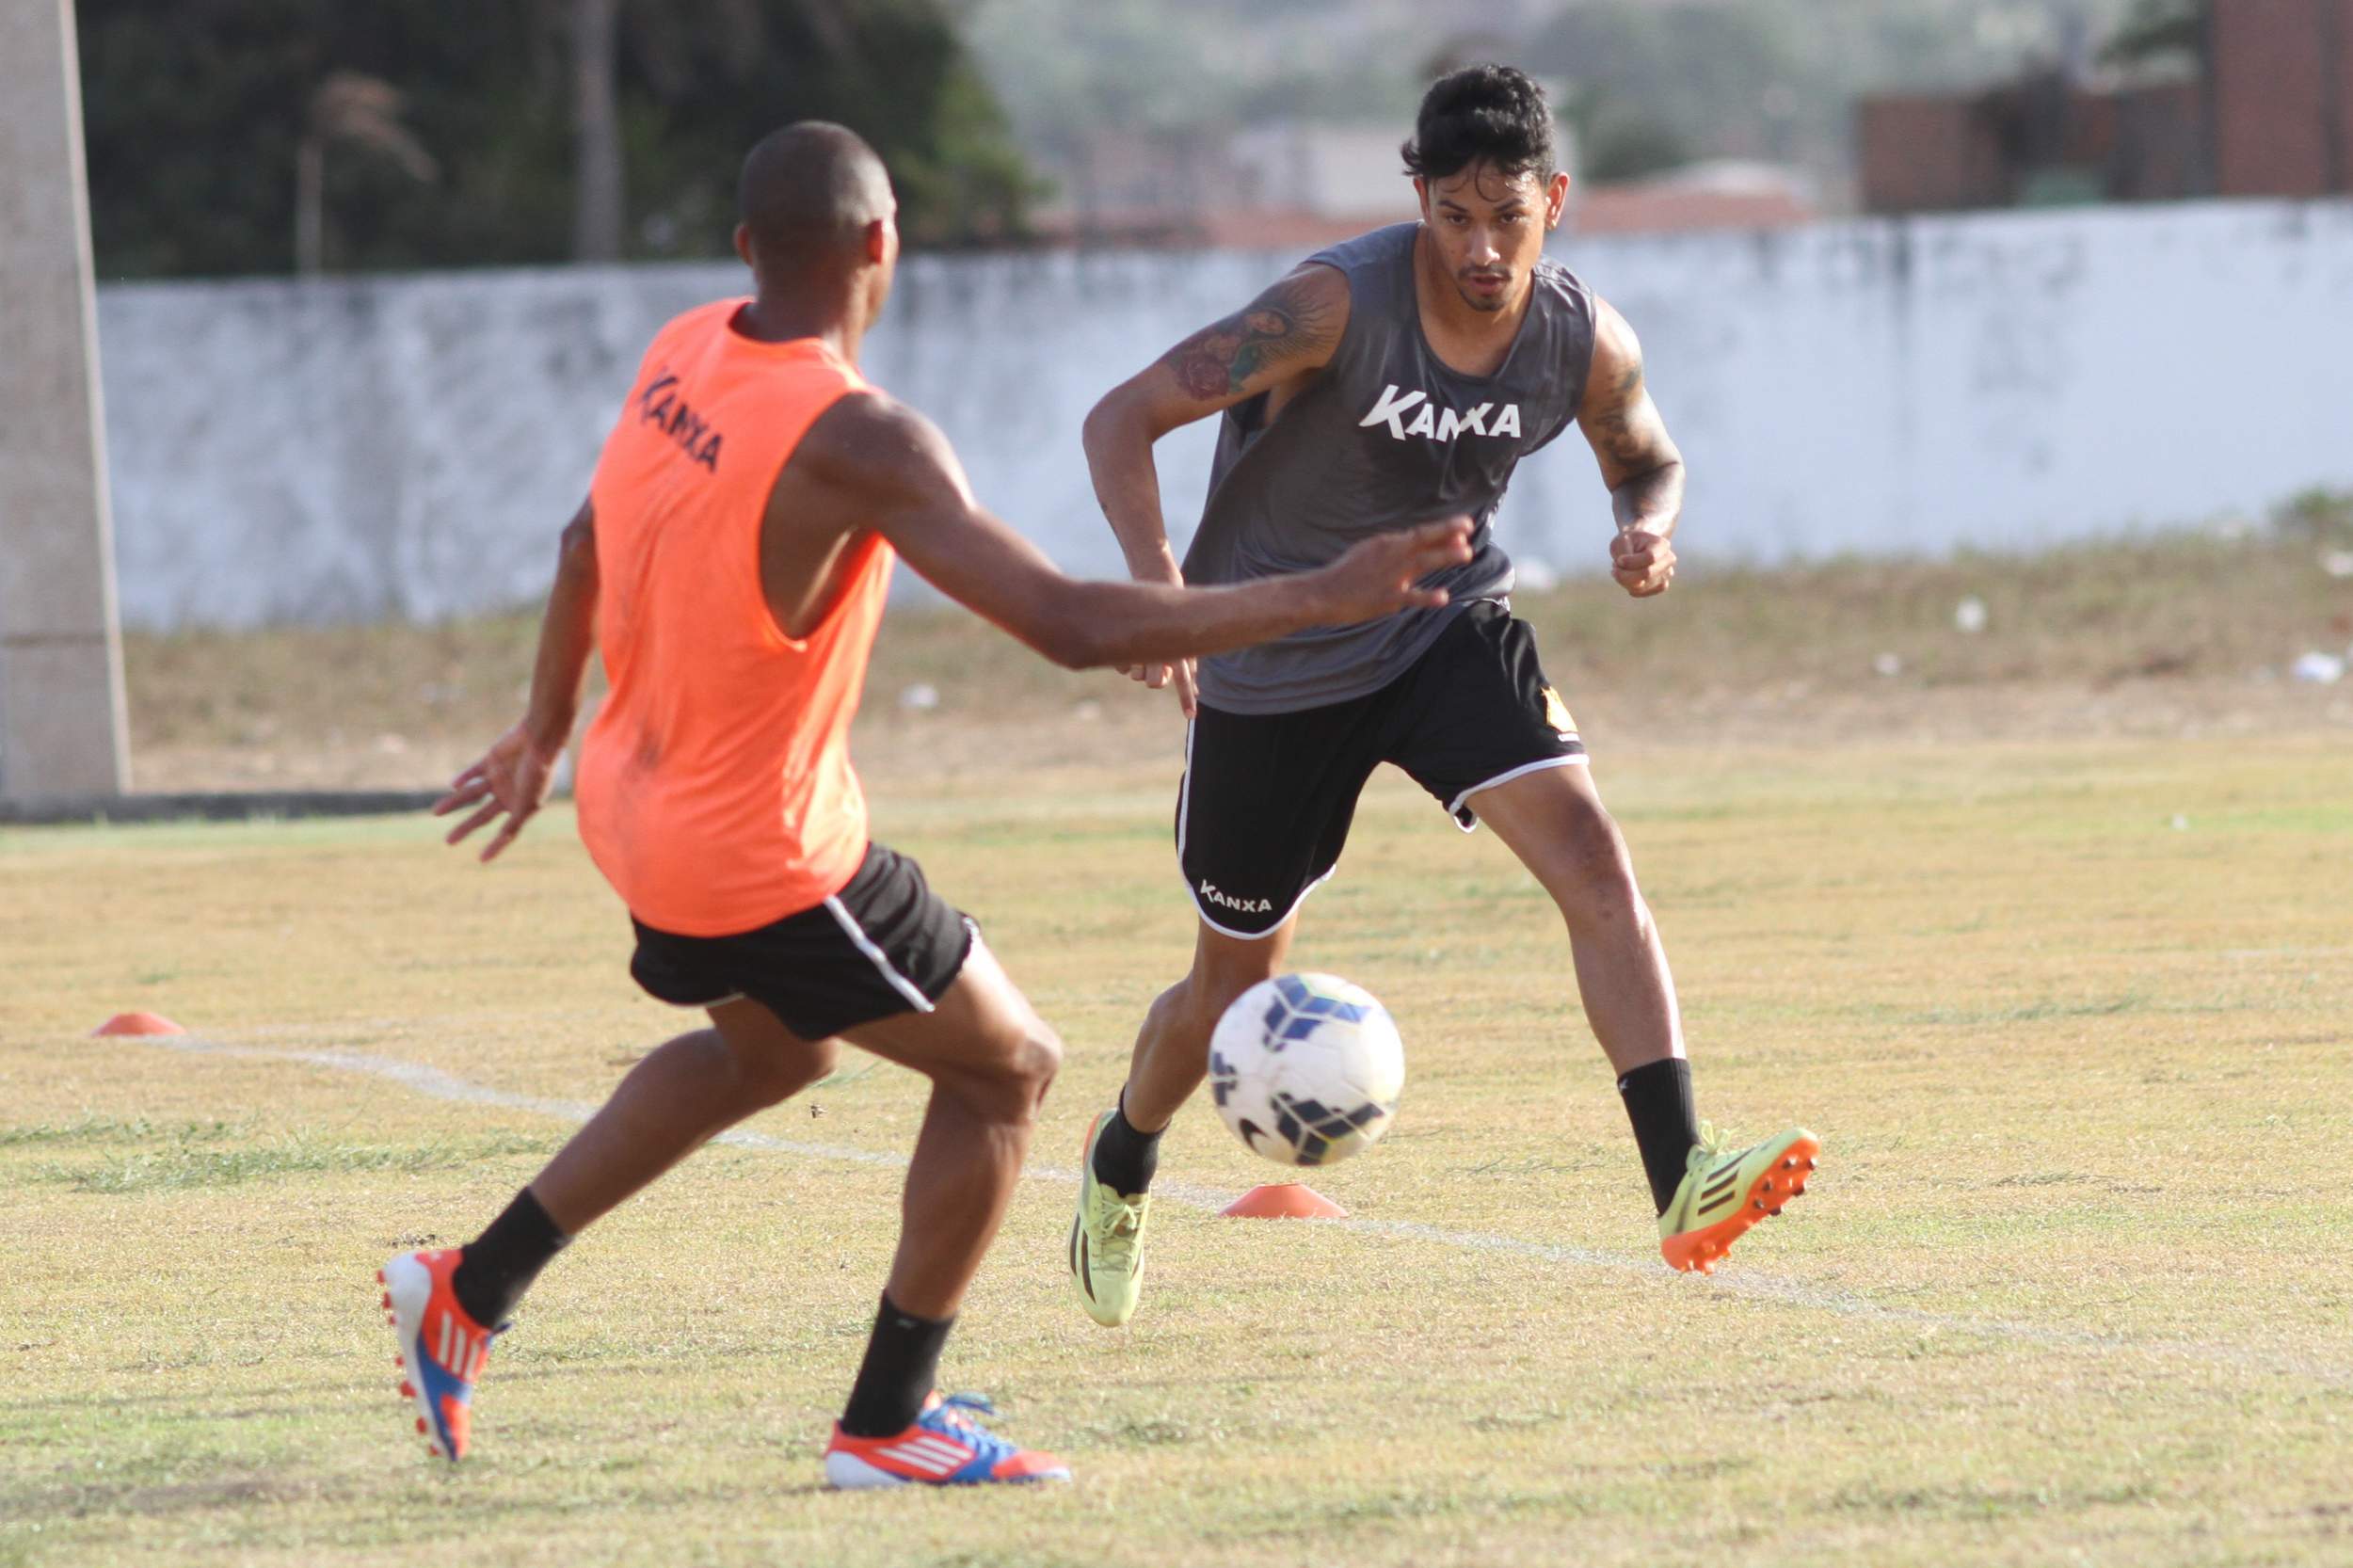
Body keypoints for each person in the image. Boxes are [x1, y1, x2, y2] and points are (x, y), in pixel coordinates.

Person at [377, 121, 1473, 1488]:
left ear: (746, 253)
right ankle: (889, 1419)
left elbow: (582, 538)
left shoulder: (686, 348)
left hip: (628, 800)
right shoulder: (866, 439)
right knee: (1006, 1066)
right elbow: (1068, 623)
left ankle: (469, 1289)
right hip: (760, 851)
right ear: (883, 245)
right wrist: (1325, 590)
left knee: (771, 1053)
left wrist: (546, 729)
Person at [1065, 65, 1818, 1330]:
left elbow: (1649, 459)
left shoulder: (1583, 338)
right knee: (1226, 993)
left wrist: (1648, 529)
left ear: (1556, 201)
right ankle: (1121, 1159)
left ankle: (1683, 1177)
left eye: (1507, 217)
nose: (1481, 247)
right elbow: (1120, 419)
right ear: (1416, 195)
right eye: (1454, 214)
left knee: (1594, 858)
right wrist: (1163, 600)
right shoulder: (1326, 307)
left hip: (1443, 630)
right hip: (1274, 664)